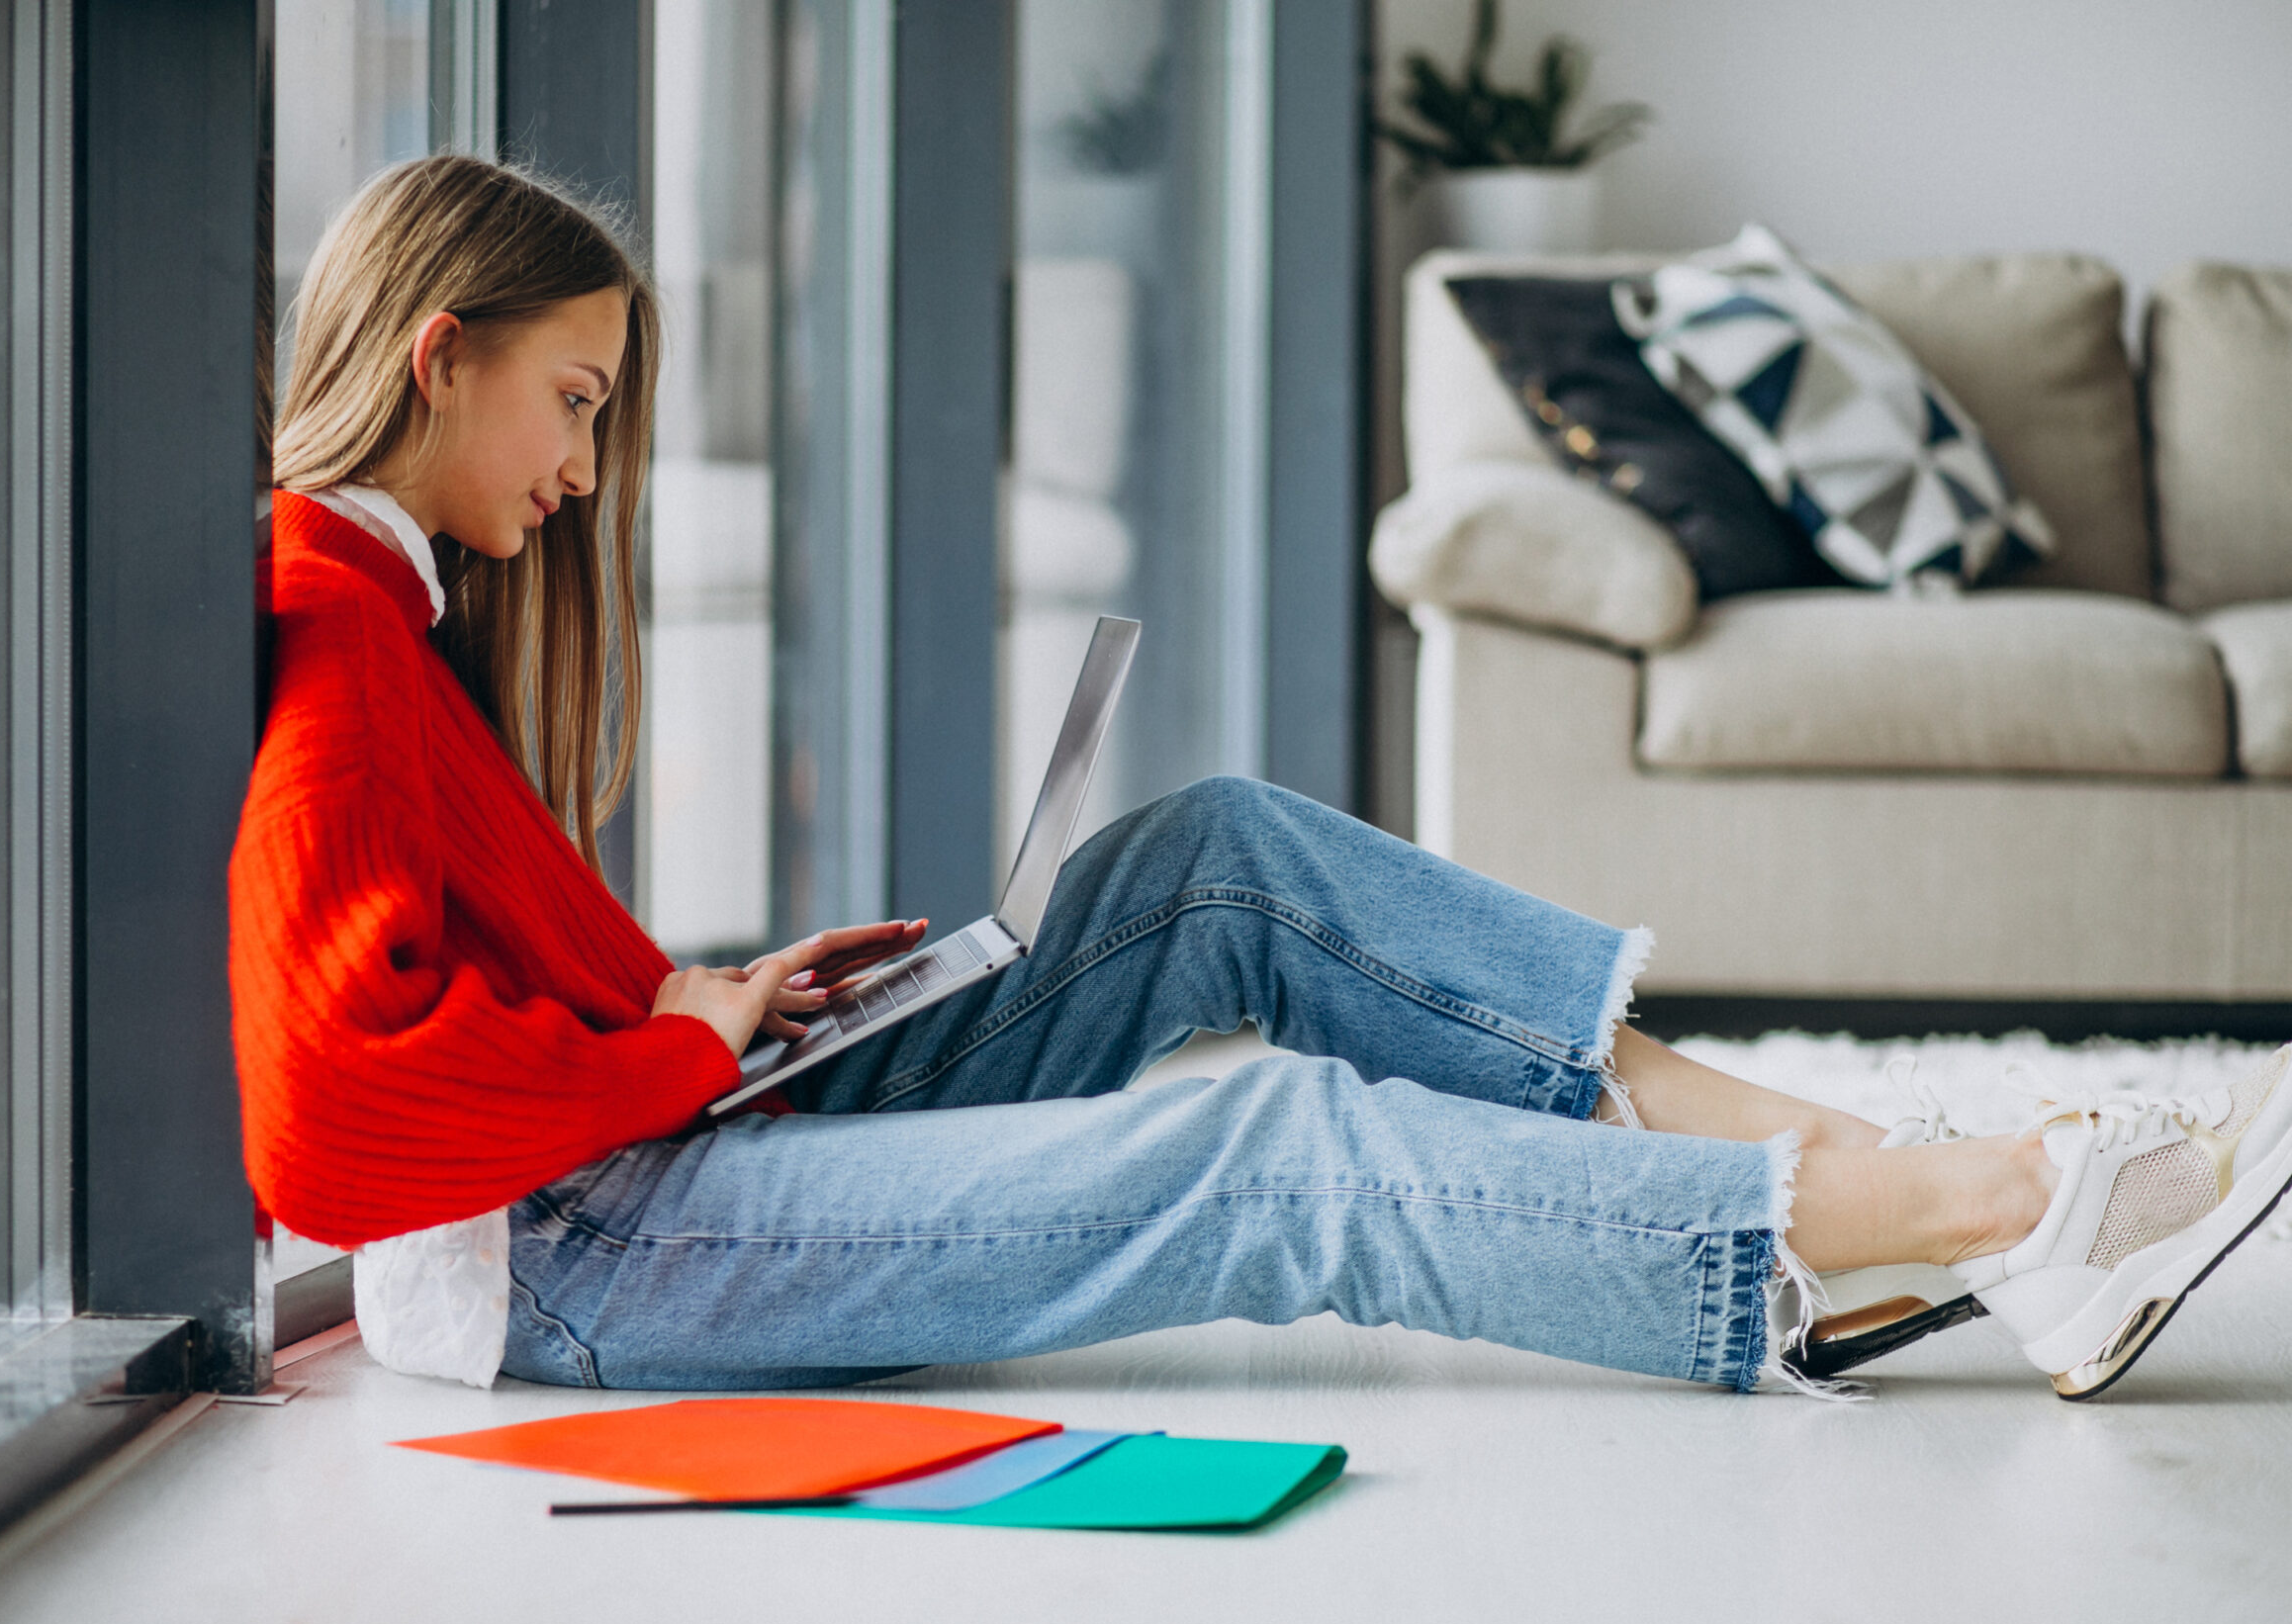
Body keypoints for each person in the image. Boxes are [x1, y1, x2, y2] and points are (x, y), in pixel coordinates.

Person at [231, 155, 2292, 1406]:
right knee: (1273, 1154)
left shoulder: (394, 617)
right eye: (572, 402)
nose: (584, 468)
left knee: (1216, 852)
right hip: (570, 1257)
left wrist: (705, 1008)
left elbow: (478, 991)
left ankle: (1853, 1148)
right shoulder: (337, 630)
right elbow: (327, 1119)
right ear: (439, 354)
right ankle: (1973, 1211)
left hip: (638, 1155)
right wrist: (670, 1054)